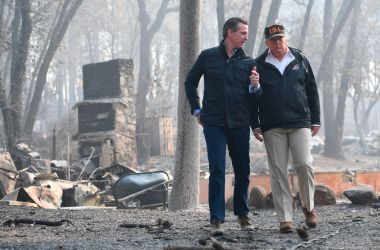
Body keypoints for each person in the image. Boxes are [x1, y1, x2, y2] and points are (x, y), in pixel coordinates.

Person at [185, 17, 261, 236]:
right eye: (243, 33)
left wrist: (255, 87)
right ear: (230, 32)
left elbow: (255, 100)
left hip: (239, 122)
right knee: (217, 169)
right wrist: (196, 109)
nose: (247, 37)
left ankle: (242, 214)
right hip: (214, 122)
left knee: (242, 169)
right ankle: (216, 219)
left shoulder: (248, 63)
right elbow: (190, 82)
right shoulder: (208, 57)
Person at [251, 24, 320, 233]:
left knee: (304, 164)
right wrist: (255, 124)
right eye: (273, 40)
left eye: (281, 39)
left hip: (300, 122)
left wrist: (315, 120)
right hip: (272, 125)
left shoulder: (300, 59)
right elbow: (253, 98)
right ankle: (285, 219)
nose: (278, 43)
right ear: (267, 43)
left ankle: (309, 209)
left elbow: (311, 90)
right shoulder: (258, 64)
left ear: (286, 39)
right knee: (278, 171)